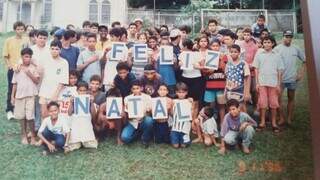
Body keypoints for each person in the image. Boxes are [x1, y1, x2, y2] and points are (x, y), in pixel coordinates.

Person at [274, 30, 306, 126]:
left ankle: (289, 118)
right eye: (286, 36)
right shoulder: (277, 49)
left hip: (292, 79)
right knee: (278, 99)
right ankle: (281, 117)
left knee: (291, 98)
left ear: (292, 38)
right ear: (283, 37)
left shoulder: (296, 48)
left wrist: (301, 73)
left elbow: (305, 60)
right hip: (280, 79)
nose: (288, 38)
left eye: (290, 37)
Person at [253, 36, 284, 133]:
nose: (266, 44)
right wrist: (257, 83)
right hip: (262, 82)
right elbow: (256, 69)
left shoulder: (277, 55)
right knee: (263, 103)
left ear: (273, 44)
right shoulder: (259, 54)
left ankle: (274, 123)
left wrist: (278, 84)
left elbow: (279, 70)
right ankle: (262, 122)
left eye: (268, 42)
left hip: (273, 83)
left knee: (273, 103)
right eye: (265, 42)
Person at [11, 48, 40, 145]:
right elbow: (14, 83)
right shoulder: (18, 68)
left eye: (29, 57)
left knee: (30, 117)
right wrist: (12, 96)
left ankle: (32, 136)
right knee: (21, 117)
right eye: (26, 57)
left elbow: (36, 81)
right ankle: (23, 135)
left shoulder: (33, 67)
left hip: (31, 95)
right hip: (19, 96)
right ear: (22, 57)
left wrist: (29, 73)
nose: (27, 59)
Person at [3, 21, 29, 120]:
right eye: (18, 29)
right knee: (11, 89)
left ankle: (19, 109)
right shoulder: (9, 40)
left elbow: (28, 54)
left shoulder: (26, 40)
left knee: (22, 89)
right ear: (15, 30)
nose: (20, 31)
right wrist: (10, 66)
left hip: (23, 69)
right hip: (13, 69)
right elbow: (5, 56)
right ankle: (10, 110)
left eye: (22, 29)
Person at [38, 40, 69, 120]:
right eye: (52, 48)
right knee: (44, 115)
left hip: (57, 94)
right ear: (49, 49)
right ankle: (44, 132)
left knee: (55, 116)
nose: (54, 51)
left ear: (60, 50)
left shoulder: (64, 62)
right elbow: (40, 74)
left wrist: (55, 94)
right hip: (44, 92)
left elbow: (63, 81)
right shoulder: (45, 60)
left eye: (57, 49)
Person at [65, 81, 98, 153]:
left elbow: (94, 114)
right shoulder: (74, 99)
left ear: (87, 91)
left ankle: (85, 141)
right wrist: (71, 103)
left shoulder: (89, 99)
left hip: (86, 124)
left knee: (90, 144)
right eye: (80, 90)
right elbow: (69, 113)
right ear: (77, 91)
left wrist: (92, 103)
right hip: (76, 124)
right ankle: (77, 142)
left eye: (84, 91)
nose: (82, 92)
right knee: (75, 144)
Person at [179, 39, 203, 136]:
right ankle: (186, 122)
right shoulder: (182, 54)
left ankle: (193, 122)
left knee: (195, 102)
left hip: (196, 79)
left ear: (185, 46)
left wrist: (198, 67)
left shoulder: (198, 54)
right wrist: (180, 64)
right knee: (186, 101)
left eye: (182, 46)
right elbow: (179, 64)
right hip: (185, 78)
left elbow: (203, 66)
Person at [202, 39, 228, 127]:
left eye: (217, 46)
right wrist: (209, 71)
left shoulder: (224, 57)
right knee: (210, 105)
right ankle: (210, 123)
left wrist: (220, 60)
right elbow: (204, 72)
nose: (215, 47)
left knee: (221, 105)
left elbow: (226, 71)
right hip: (210, 85)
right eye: (213, 46)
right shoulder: (207, 57)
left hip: (221, 85)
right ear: (210, 46)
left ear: (220, 46)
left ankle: (222, 123)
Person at [121, 80, 154, 147]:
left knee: (149, 120)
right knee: (125, 138)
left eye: (137, 88)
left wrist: (148, 110)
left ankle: (145, 138)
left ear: (141, 88)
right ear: (131, 89)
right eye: (134, 89)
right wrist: (125, 113)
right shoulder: (127, 98)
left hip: (143, 120)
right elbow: (127, 113)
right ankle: (137, 134)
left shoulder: (147, 97)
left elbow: (150, 112)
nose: (136, 90)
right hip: (132, 122)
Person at [225, 44, 251, 112]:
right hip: (230, 90)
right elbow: (227, 77)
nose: (233, 53)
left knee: (241, 107)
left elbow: (247, 78)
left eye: (235, 52)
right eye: (231, 52)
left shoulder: (243, 63)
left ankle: (244, 121)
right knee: (231, 108)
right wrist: (225, 89)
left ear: (239, 53)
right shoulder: (228, 64)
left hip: (240, 90)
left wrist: (247, 92)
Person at [240, 28, 259, 113]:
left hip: (252, 71)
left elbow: (256, 59)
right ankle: (245, 109)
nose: (246, 36)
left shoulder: (255, 46)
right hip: (242, 71)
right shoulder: (240, 45)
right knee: (243, 90)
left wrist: (251, 65)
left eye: (248, 35)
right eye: (245, 34)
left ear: (251, 35)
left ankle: (255, 106)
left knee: (254, 90)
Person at [170, 82, 193, 148]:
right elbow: (171, 114)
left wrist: (191, 104)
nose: (181, 94)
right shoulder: (174, 101)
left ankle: (184, 140)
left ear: (186, 93)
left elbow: (191, 114)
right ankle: (174, 138)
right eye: (179, 92)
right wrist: (172, 106)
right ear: (176, 92)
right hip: (175, 127)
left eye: (183, 92)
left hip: (184, 128)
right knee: (175, 146)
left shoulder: (189, 101)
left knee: (183, 146)